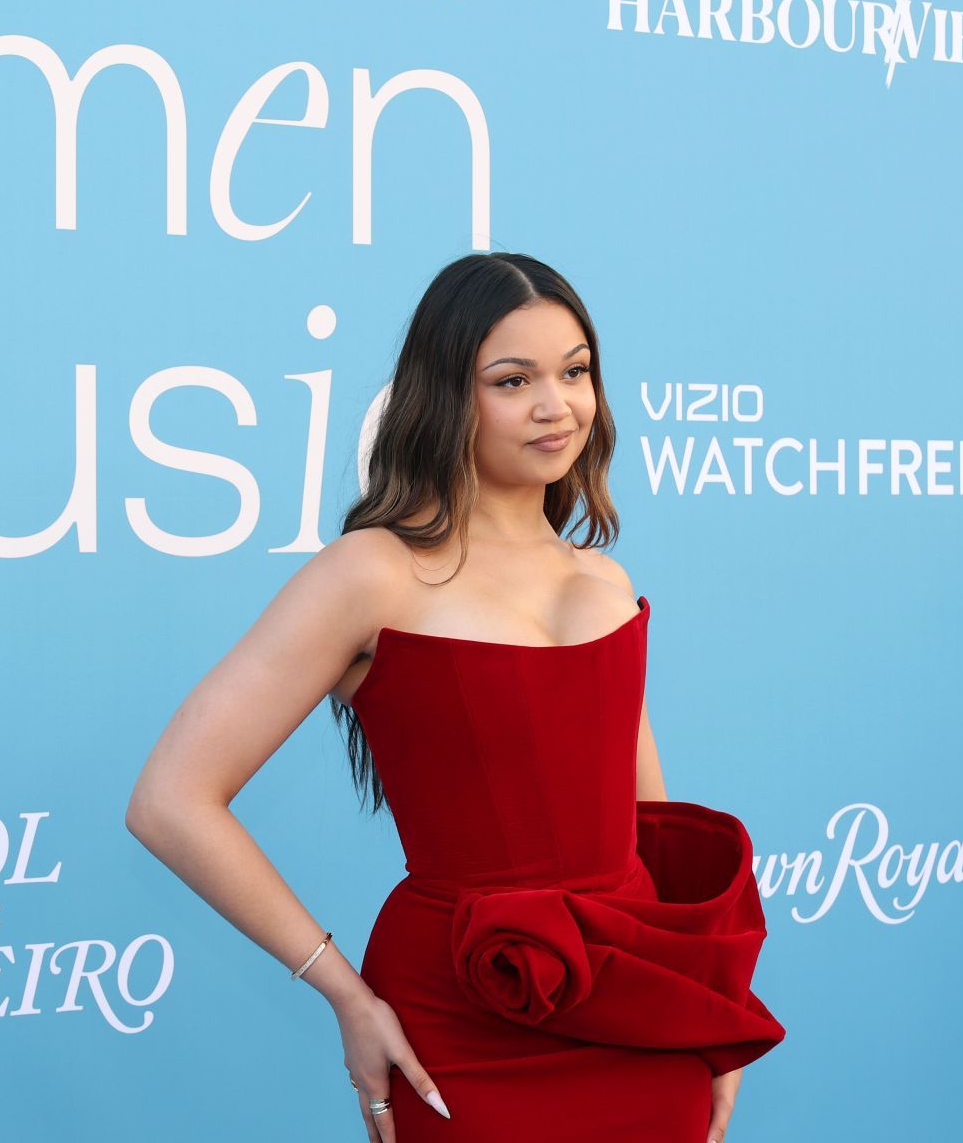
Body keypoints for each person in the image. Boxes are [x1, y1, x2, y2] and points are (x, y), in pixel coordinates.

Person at [125, 252, 785, 1141]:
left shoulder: (605, 581)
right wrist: (344, 992)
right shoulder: (372, 574)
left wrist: (704, 1022)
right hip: (456, 1028)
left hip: (631, 1017)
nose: (557, 406)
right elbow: (170, 799)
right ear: (445, 397)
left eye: (575, 371)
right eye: (514, 380)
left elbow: (647, 822)